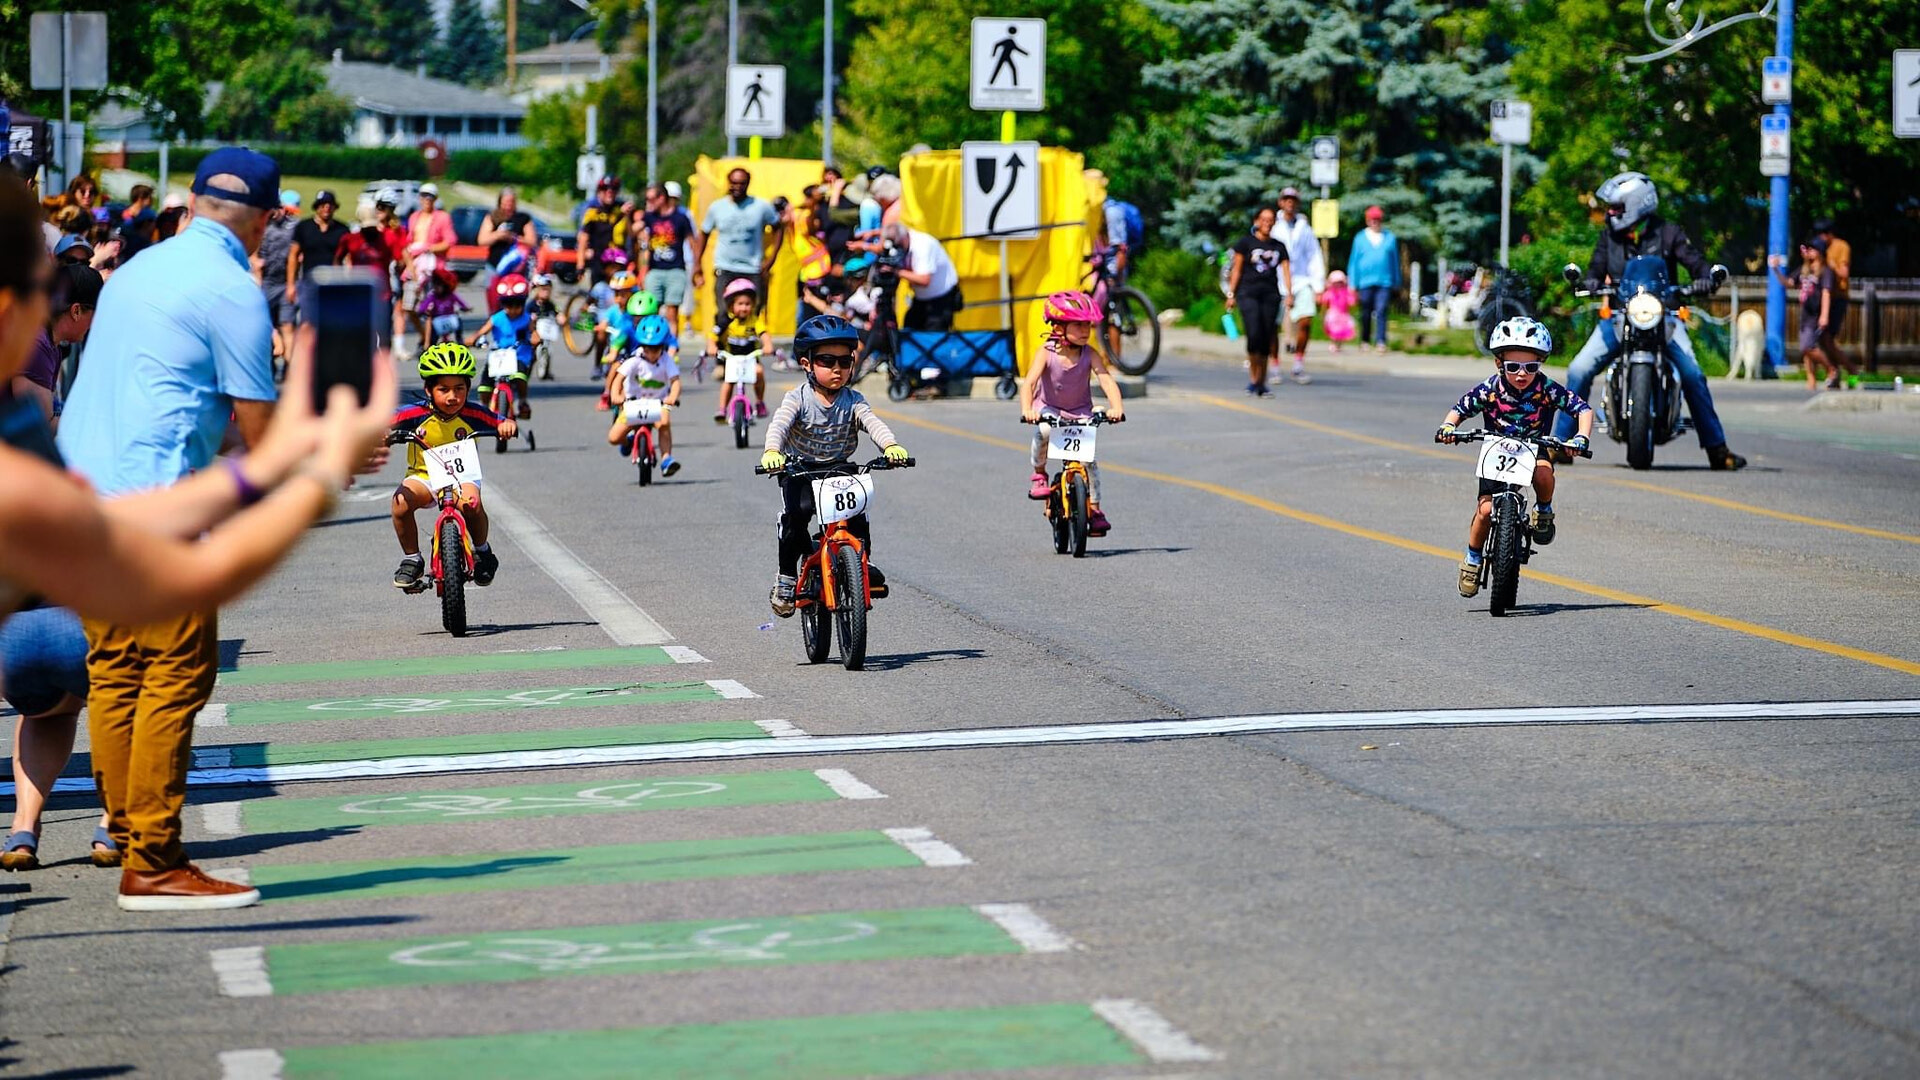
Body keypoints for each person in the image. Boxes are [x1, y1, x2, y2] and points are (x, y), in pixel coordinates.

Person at [44, 149, 396, 910]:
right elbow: (265, 439)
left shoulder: (135, 269)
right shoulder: (232, 290)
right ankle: (154, 858)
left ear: (195, 202)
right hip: (161, 510)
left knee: (116, 672)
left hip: (83, 499)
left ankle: (124, 823)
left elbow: (189, 407)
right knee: (176, 673)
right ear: (268, 221)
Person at [1555, 171, 1745, 470]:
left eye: (1616, 207)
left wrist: (1706, 279)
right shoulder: (1609, 236)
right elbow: (1594, 271)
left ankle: (1717, 450)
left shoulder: (1668, 233)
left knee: (1693, 374)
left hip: (1663, 317)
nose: (1610, 213)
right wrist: (1589, 282)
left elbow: (1695, 262)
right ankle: (1562, 444)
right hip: (1620, 316)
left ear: (1637, 205)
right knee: (1579, 369)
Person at [760, 314, 912, 618]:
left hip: (841, 468)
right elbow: (779, 425)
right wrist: (772, 451)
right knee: (797, 519)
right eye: (828, 361)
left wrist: (891, 446)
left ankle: (860, 563)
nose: (837, 369)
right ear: (806, 364)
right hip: (799, 469)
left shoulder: (853, 399)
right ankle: (787, 579)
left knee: (857, 517)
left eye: (845, 361)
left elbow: (873, 423)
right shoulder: (798, 399)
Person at [1436, 316, 1594, 598]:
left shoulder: (1546, 388)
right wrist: (1449, 427)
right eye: (1513, 367)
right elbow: (1460, 408)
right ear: (1499, 363)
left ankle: (1543, 511)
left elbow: (1582, 409)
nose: (1522, 374)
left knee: (1545, 473)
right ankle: (1472, 559)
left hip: (1534, 446)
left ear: (1540, 364)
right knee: (1485, 511)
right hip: (1496, 449)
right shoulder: (1490, 388)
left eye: (1531, 367)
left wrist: (1580, 437)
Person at [388, 344, 517, 592]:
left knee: (472, 504)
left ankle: (482, 551)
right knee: (400, 503)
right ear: (429, 390)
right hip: (423, 477)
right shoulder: (414, 414)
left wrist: (506, 425)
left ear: (469, 388)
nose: (452, 397)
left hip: (461, 477)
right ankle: (412, 559)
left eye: (459, 389)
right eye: (443, 389)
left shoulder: (473, 413)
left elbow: (499, 420)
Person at [1018, 290, 1126, 535]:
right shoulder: (1046, 352)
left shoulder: (1090, 354)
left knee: (1089, 461)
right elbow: (1030, 383)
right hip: (1049, 409)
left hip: (1080, 411)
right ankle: (1039, 474)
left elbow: (1106, 380)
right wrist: (1027, 409)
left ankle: (1095, 510)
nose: (1085, 331)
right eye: (1078, 325)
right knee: (1043, 431)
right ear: (1059, 326)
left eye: (1087, 325)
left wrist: (1116, 407)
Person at [1, 263, 99, 426]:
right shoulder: (37, 345)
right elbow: (42, 425)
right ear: (76, 311)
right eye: (96, 314)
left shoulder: (51, 344)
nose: (96, 323)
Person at [1223, 206, 1292, 396]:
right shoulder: (1245, 243)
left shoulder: (1279, 246)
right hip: (1248, 293)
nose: (1267, 223)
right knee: (1253, 334)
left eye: (1270, 220)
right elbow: (1236, 269)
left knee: (1267, 337)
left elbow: (1286, 270)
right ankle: (1253, 379)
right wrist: (1231, 294)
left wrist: (1290, 293)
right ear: (1256, 221)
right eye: (1264, 219)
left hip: (1270, 295)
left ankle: (1262, 381)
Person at [695, 168, 783, 312]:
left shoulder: (761, 206)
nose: (737, 187)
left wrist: (772, 258)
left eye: (742, 183)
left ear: (748, 184)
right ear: (728, 182)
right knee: (724, 313)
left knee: (753, 315)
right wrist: (697, 263)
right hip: (725, 268)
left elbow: (778, 228)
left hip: (753, 268)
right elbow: (704, 234)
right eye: (734, 183)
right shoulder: (717, 207)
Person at [1770, 238, 1852, 391]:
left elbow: (1826, 293)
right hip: (1805, 314)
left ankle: (1832, 370)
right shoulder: (1804, 269)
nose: (1809, 252)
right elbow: (1788, 283)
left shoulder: (1825, 271)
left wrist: (1824, 315)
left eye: (1812, 249)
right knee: (1808, 350)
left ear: (1819, 252)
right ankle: (1812, 379)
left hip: (1816, 314)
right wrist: (1775, 270)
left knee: (1807, 347)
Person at [606, 314, 683, 477]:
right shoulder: (635, 359)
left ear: (662, 346)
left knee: (664, 423)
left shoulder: (666, 360)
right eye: (647, 347)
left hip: (658, 403)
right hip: (633, 403)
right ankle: (629, 442)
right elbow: (619, 378)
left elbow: (675, 381)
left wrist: (672, 397)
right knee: (613, 437)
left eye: (655, 348)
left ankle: (666, 459)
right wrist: (615, 395)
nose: (651, 352)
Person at [469, 273, 539, 420]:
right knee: (484, 386)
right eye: (508, 305)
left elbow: (534, 334)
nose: (512, 309)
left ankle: (523, 401)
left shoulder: (527, 319)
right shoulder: (497, 318)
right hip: (499, 356)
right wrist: (471, 340)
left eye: (517, 305)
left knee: (520, 376)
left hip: (519, 355)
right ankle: (485, 407)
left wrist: (534, 339)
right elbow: (482, 331)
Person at [1274, 187, 1323, 384]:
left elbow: (1314, 256)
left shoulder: (1304, 228)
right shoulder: (1274, 227)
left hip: (1301, 280)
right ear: (1281, 202)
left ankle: (1298, 363)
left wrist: (1318, 286)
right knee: (1272, 327)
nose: (1290, 203)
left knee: (1306, 320)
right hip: (1277, 282)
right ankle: (1275, 365)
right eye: (1286, 199)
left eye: (1293, 200)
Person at [708, 277, 771, 421]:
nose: (744, 308)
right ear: (731, 305)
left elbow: (764, 334)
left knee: (759, 372)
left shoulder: (754, 320)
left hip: (750, 357)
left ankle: (760, 402)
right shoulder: (726, 320)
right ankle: (722, 409)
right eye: (740, 304)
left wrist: (767, 345)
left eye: (748, 304)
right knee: (728, 380)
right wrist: (712, 346)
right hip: (732, 358)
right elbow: (713, 336)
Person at [336, 207, 398, 349]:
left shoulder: (387, 237)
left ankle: (384, 365)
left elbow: (399, 259)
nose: (370, 231)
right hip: (359, 294)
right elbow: (338, 258)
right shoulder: (351, 239)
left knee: (384, 335)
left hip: (382, 295)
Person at [882, 223, 962, 332]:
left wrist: (897, 272)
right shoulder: (903, 244)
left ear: (904, 237)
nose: (897, 249)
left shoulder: (922, 246)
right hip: (921, 300)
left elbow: (924, 280)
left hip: (940, 300)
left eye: (898, 244)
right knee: (909, 332)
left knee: (932, 340)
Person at [637, 182, 696, 329]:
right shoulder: (649, 217)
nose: (648, 203)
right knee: (651, 310)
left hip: (676, 269)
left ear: (662, 198)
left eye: (651, 199)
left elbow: (692, 242)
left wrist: (697, 268)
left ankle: (671, 348)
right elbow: (637, 238)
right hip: (655, 270)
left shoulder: (681, 218)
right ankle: (652, 345)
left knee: (671, 313)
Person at [405, 183, 456, 353]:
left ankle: (428, 344)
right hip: (415, 265)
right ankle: (423, 336)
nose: (426, 199)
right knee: (409, 306)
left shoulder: (442, 217)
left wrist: (428, 248)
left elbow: (449, 241)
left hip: (433, 267)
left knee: (430, 307)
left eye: (430, 196)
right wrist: (409, 262)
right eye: (423, 196)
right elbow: (408, 241)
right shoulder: (414, 217)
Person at [1346, 205, 1399, 353]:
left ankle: (1381, 340)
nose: (1375, 222)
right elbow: (1354, 261)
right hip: (1365, 281)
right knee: (1365, 311)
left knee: (1381, 310)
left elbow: (1395, 261)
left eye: (1377, 219)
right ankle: (1364, 339)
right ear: (1367, 221)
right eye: (1372, 219)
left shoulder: (1389, 238)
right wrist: (1353, 283)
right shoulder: (1360, 238)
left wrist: (1396, 281)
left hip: (1384, 280)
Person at [256, 190, 301, 365]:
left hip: (285, 282)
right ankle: (268, 364)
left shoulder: (294, 226)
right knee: (264, 326)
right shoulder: (261, 225)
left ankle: (290, 369)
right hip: (265, 282)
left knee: (287, 324)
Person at [478, 187, 538, 312]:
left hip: (516, 268)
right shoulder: (492, 217)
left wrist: (515, 238)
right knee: (494, 301)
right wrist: (499, 235)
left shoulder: (523, 218)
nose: (508, 206)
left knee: (516, 300)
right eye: (505, 202)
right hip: (495, 266)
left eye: (511, 202)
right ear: (500, 202)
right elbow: (482, 240)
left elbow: (532, 241)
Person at [285, 189, 346, 311]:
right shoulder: (304, 227)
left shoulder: (342, 230)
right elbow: (293, 255)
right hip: (309, 283)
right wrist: (291, 285)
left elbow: (348, 259)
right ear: (317, 207)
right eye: (323, 205)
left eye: (330, 205)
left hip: (334, 283)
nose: (327, 208)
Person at [577, 176, 629, 289]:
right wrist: (580, 265)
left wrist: (628, 215)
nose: (609, 192)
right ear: (599, 191)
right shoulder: (592, 210)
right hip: (599, 260)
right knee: (598, 292)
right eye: (605, 189)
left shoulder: (622, 208)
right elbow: (583, 237)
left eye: (614, 189)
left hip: (618, 261)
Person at [418, 265, 470, 348]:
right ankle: (430, 345)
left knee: (458, 321)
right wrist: (422, 311)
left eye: (439, 285)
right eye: (435, 285)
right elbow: (424, 305)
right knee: (433, 330)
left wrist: (465, 308)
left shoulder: (450, 295)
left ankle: (460, 341)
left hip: (450, 318)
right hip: (438, 320)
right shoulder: (433, 296)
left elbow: (460, 302)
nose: (436, 288)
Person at [1320, 270, 1356, 353]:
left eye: (1340, 283)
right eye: (1335, 283)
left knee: (1341, 331)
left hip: (1343, 315)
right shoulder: (1330, 293)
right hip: (1333, 315)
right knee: (1333, 331)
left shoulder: (1346, 293)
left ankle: (1339, 344)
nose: (1338, 285)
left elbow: (1351, 302)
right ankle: (1333, 343)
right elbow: (1325, 302)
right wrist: (1323, 312)